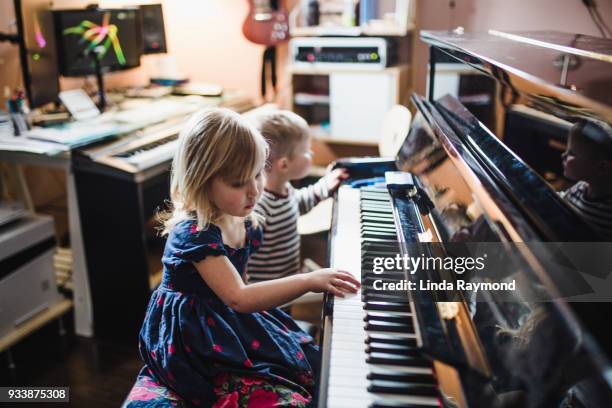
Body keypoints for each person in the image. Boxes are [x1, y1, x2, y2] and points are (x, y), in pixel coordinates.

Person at [138, 108, 360, 407]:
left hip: (224, 318)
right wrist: (309, 280)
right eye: (238, 183)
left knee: (313, 364)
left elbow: (240, 286)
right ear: (201, 180)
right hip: (193, 335)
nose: (255, 190)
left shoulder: (243, 219)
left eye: (258, 174)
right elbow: (239, 297)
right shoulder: (194, 235)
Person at [247, 110, 348, 283]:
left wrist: (324, 187)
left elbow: (296, 204)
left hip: (287, 282)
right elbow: (240, 249)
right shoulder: (259, 207)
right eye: (307, 151)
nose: (312, 154)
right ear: (284, 164)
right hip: (267, 292)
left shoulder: (285, 189)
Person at [560, 118, 612, 241]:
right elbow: (559, 203)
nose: (564, 155)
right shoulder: (580, 188)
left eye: (571, 153)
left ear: (601, 167)